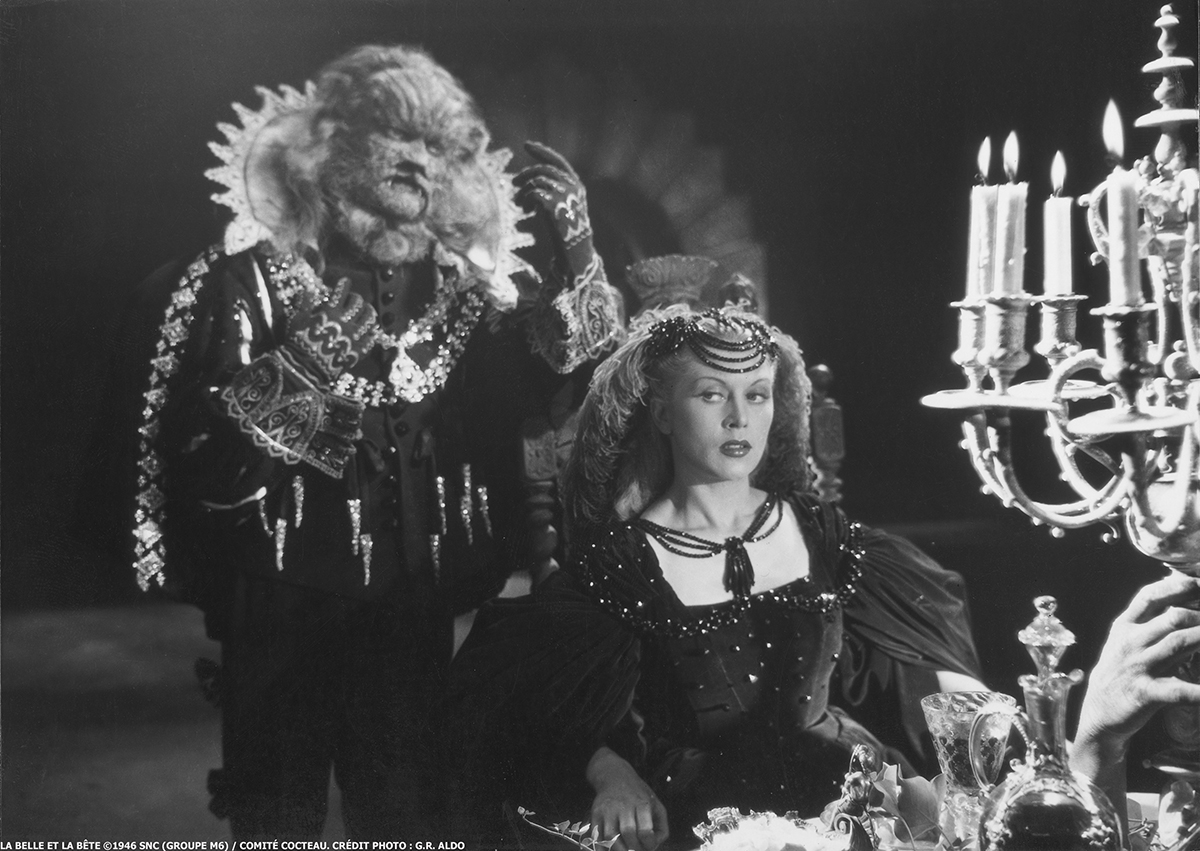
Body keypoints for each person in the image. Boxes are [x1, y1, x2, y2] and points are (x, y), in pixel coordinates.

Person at [84, 45, 623, 839]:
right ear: (330, 146)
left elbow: (569, 381)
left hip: (413, 610)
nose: (418, 160)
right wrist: (305, 363)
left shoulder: (463, 291)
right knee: (279, 813)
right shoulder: (249, 279)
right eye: (394, 134)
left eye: (437, 145)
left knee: (407, 812)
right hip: (279, 604)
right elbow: (206, 464)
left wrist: (578, 248)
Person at [443, 257, 986, 850]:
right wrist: (611, 772)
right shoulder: (622, 566)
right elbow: (537, 709)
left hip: (848, 789)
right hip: (708, 812)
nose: (739, 419)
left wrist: (979, 722)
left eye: (757, 395)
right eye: (711, 394)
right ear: (662, 414)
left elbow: (917, 650)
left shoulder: (818, 528)